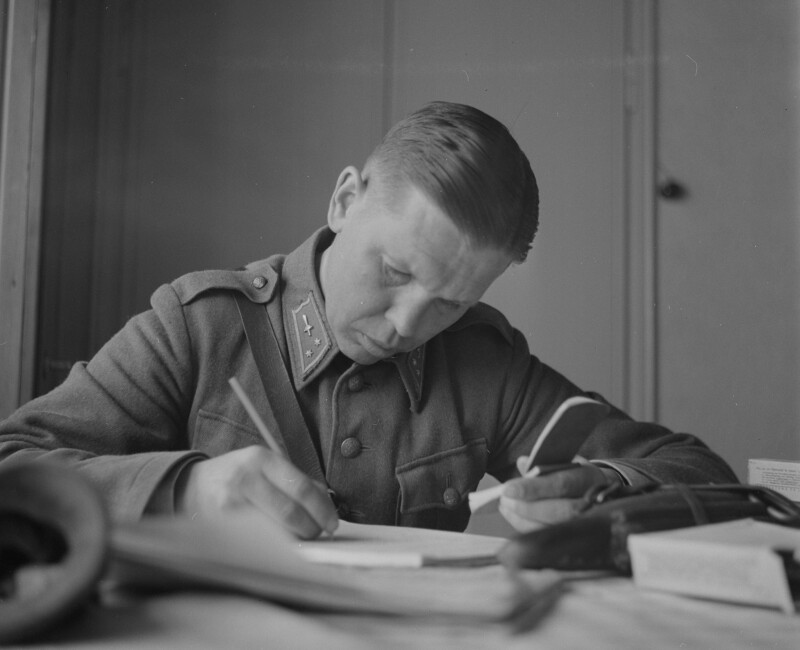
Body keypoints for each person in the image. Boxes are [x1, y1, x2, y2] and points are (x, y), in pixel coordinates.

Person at [0, 101, 737, 539]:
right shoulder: (196, 328)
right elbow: (13, 468)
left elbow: (697, 472)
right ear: (345, 201)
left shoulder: (486, 367)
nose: (411, 325)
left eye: (452, 301)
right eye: (396, 272)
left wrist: (601, 486)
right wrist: (184, 490)